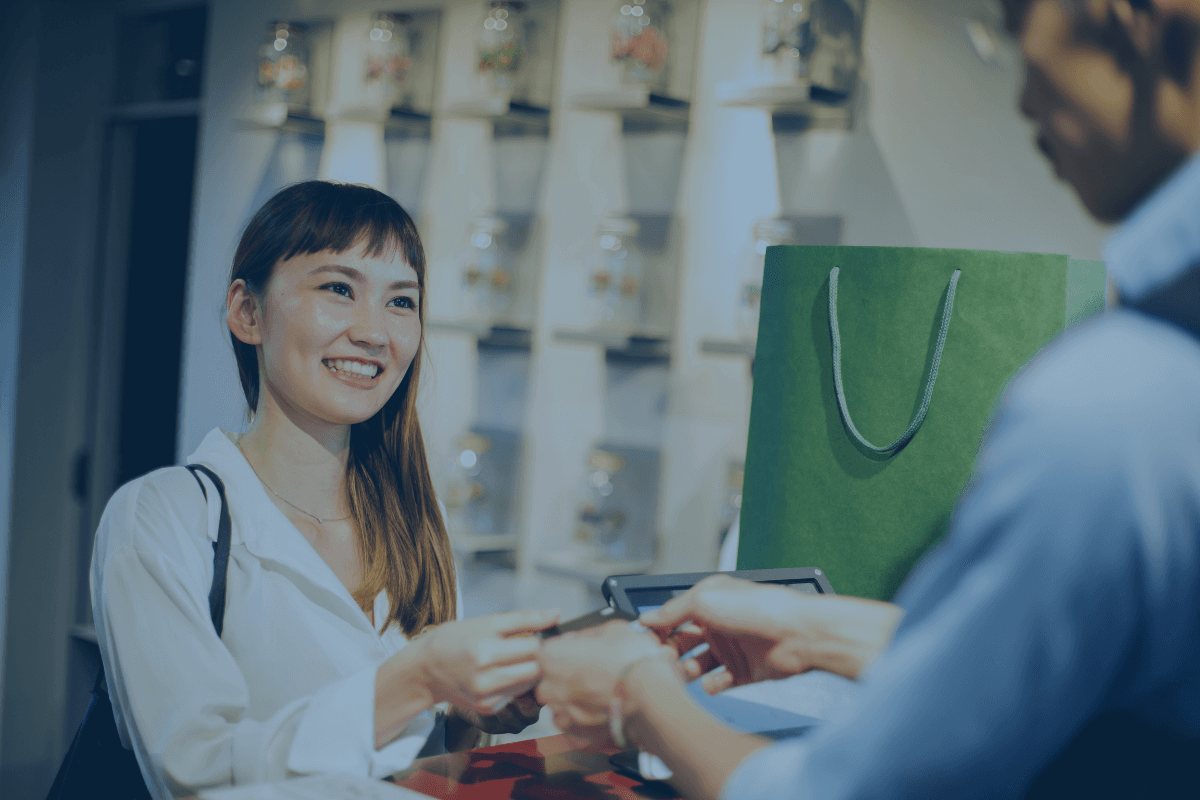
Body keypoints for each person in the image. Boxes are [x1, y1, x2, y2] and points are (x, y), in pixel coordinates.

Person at [535, 1, 1200, 797]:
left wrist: (636, 697)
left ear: (1130, 18)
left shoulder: (1106, 413)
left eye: (1021, 37)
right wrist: (818, 629)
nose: (1023, 102)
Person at [90, 181, 557, 799]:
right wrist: (415, 680)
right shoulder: (162, 519)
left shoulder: (415, 517)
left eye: (401, 302)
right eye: (338, 289)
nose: (374, 333)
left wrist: (465, 719)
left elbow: (414, 767)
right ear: (247, 312)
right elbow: (195, 777)